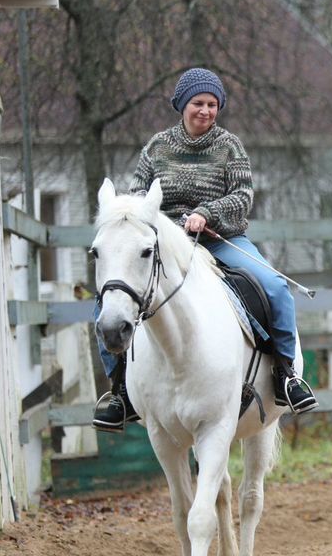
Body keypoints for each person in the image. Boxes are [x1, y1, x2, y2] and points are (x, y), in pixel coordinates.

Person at [92, 67, 317, 431]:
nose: (206, 111)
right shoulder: (157, 147)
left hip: (220, 238)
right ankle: (118, 391)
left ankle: (287, 376)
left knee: (275, 288)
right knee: (109, 301)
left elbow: (243, 196)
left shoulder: (230, 146)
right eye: (198, 103)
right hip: (165, 244)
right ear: (182, 105)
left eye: (213, 104)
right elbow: (136, 195)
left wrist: (206, 212)